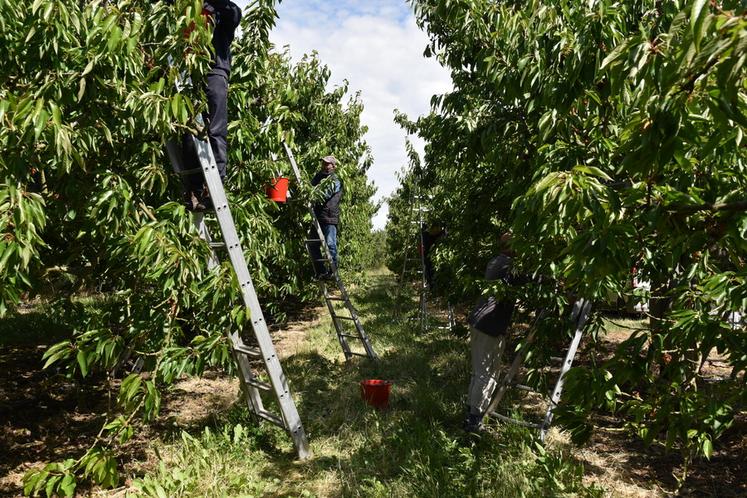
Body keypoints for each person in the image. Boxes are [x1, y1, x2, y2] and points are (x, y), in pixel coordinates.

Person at [179, 0, 242, 211]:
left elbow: (234, 13)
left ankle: (215, 184)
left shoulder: (223, 9)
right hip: (188, 71)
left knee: (216, 126)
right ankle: (194, 188)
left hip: (215, 69)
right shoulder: (187, 6)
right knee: (188, 130)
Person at [464, 233, 524, 433]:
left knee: (479, 370)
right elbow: (527, 278)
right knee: (487, 372)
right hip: (489, 325)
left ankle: (471, 412)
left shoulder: (496, 261)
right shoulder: (507, 264)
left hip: (481, 322)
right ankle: (475, 419)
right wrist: (552, 280)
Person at [308, 155, 342, 279]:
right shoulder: (318, 177)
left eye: (327, 164)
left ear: (333, 166)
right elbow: (309, 187)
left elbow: (324, 194)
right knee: (312, 244)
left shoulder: (335, 180)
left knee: (330, 244)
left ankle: (333, 272)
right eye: (323, 163)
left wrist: (311, 194)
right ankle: (321, 271)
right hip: (317, 216)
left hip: (329, 217)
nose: (324, 166)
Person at [420, 223, 446, 291]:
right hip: (429, 255)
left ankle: (431, 285)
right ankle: (432, 286)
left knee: (428, 270)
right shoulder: (427, 235)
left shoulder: (424, 235)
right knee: (430, 270)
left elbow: (435, 235)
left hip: (427, 255)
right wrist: (443, 231)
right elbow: (435, 235)